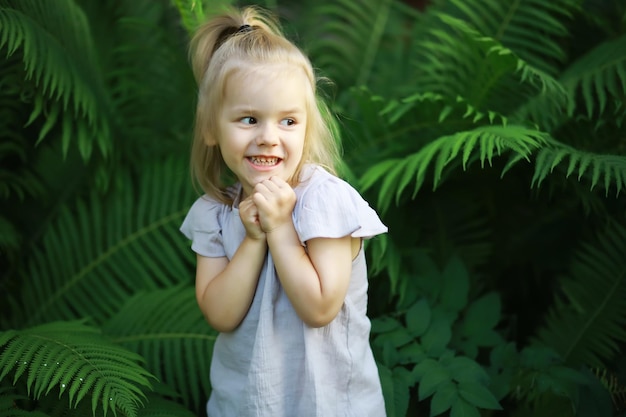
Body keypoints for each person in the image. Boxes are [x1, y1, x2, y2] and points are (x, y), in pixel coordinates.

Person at [180, 5, 388, 417]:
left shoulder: (325, 202)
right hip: (245, 405)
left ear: (307, 125)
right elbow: (220, 314)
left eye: (288, 121)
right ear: (211, 129)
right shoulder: (215, 213)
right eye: (249, 119)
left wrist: (279, 230)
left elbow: (320, 308)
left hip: (330, 406)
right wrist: (253, 240)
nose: (268, 138)